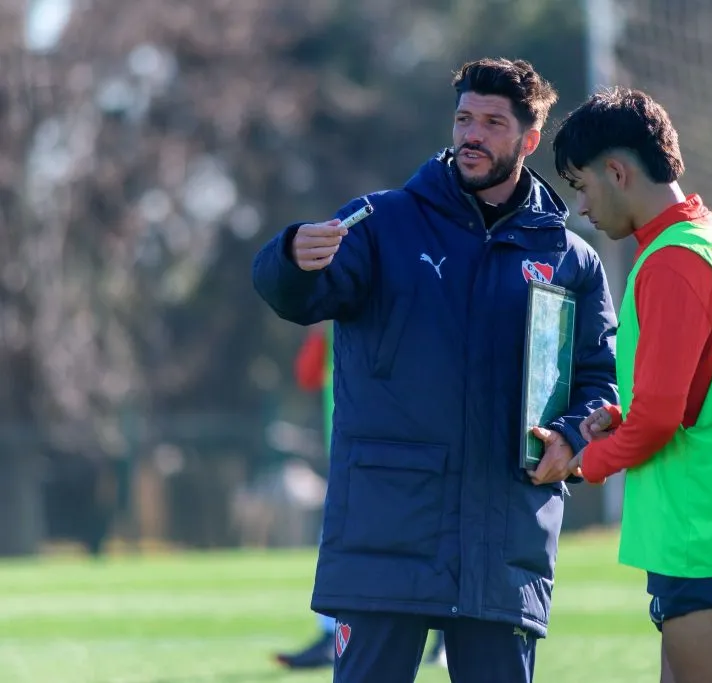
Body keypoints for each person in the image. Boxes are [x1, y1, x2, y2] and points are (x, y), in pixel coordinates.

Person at [252, 57, 618, 683]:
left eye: (493, 123)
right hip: (385, 533)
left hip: (505, 536)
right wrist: (289, 257)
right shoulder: (381, 223)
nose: (472, 134)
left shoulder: (570, 259)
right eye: (464, 119)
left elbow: (599, 377)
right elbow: (296, 297)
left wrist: (573, 435)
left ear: (529, 141)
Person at [551, 87, 712, 683]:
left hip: (706, 531)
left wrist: (584, 460)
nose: (582, 207)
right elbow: (694, 393)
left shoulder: (673, 259)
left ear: (616, 171)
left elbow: (660, 421)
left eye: (583, 186)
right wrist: (622, 418)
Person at [275, 326, 449, 671]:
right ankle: (332, 634)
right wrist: (319, 331)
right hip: (349, 459)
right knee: (340, 543)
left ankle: (445, 636)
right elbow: (307, 376)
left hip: (401, 453)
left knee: (436, 535)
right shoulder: (333, 327)